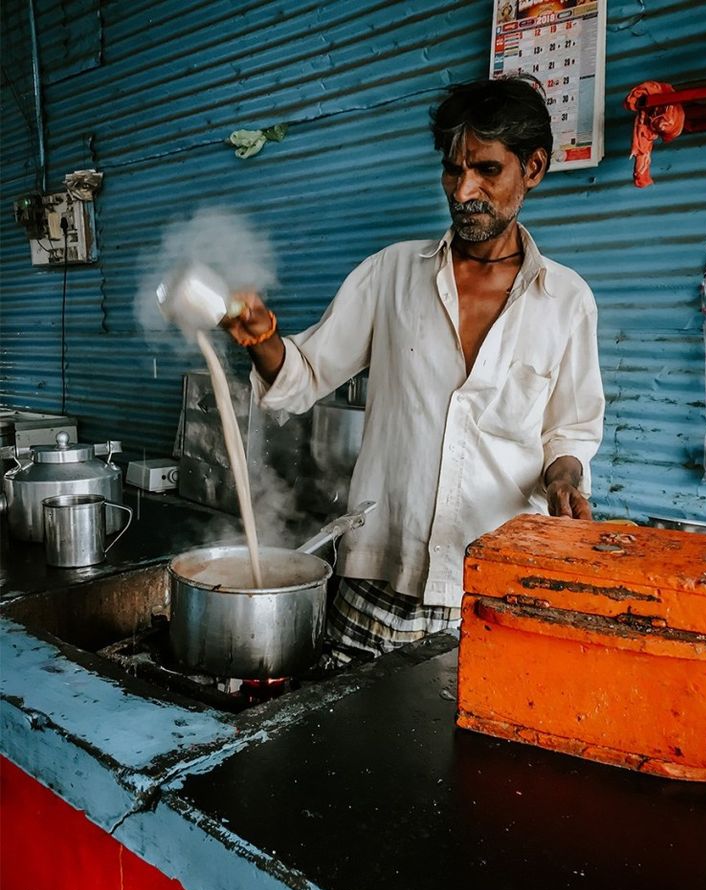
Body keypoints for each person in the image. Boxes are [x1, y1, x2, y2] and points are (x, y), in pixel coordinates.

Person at [223, 77, 605, 667]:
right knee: (345, 748)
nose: (464, 190)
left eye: (486, 170)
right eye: (453, 171)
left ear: (533, 168)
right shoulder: (391, 275)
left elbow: (570, 430)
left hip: (487, 591)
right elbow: (300, 377)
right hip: (376, 575)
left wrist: (563, 479)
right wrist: (265, 341)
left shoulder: (567, 301)